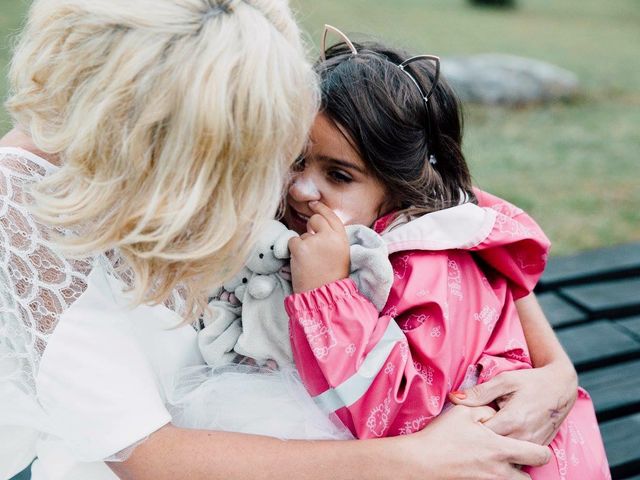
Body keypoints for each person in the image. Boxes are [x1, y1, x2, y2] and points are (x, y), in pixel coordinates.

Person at [0, 2, 553, 480]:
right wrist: (417, 459)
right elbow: (148, 456)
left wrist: (553, 369)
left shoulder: (244, 143)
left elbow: (441, 211)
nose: (286, 181)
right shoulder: (20, 205)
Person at [281, 29, 611, 479]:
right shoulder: (389, 231)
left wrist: (327, 296)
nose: (301, 188)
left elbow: (400, 422)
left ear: (400, 189)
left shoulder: (429, 266)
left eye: (338, 175)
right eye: (296, 159)